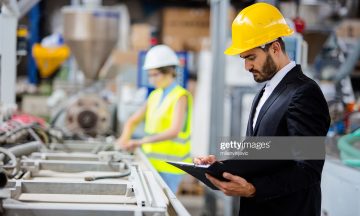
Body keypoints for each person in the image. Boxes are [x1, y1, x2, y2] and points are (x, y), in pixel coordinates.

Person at [194, 3, 330, 216]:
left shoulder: (304, 93)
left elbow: (307, 170)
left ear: (275, 48)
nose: (246, 67)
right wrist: (223, 167)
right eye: (244, 59)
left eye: (251, 57)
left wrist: (253, 189)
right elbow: (262, 153)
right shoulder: (264, 93)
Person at [117, 44, 192, 193]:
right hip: (151, 163)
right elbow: (133, 120)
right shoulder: (154, 95)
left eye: (155, 75)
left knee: (168, 208)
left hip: (171, 166)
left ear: (169, 71)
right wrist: (122, 141)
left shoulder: (180, 96)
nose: (152, 80)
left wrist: (139, 142)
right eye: (150, 75)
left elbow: (174, 131)